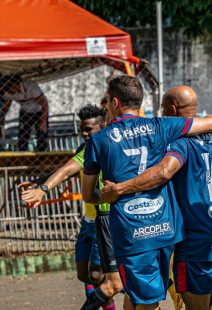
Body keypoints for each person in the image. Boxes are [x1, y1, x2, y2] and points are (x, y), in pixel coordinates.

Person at [82, 75, 212, 310]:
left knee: (148, 303)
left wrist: (106, 195)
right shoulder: (161, 125)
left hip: (132, 233)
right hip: (166, 229)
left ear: (114, 103)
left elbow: (88, 195)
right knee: (138, 296)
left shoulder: (99, 140)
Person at [17, 104, 117, 309]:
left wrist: (43, 188)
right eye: (82, 129)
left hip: (105, 218)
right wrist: (39, 182)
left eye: (89, 129)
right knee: (84, 274)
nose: (84, 133)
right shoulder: (83, 149)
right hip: (88, 221)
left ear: (102, 126)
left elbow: (67, 170)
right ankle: (117, 287)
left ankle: (113, 292)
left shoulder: (104, 146)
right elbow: (67, 169)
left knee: (98, 274)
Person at [0, 74, 49, 151]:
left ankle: (41, 154)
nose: (11, 92)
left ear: (16, 85)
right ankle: (23, 154)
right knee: (23, 135)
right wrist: (2, 119)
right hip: (25, 112)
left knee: (41, 134)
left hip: (39, 111)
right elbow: (6, 107)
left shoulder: (31, 87)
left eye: (11, 90)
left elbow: (44, 104)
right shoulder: (7, 93)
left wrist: (43, 121)